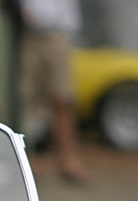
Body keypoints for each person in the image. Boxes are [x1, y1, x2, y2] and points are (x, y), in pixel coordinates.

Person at [18, 0, 88, 183]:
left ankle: (68, 161)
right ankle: (29, 161)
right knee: (30, 102)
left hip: (57, 34)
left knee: (62, 101)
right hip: (30, 36)